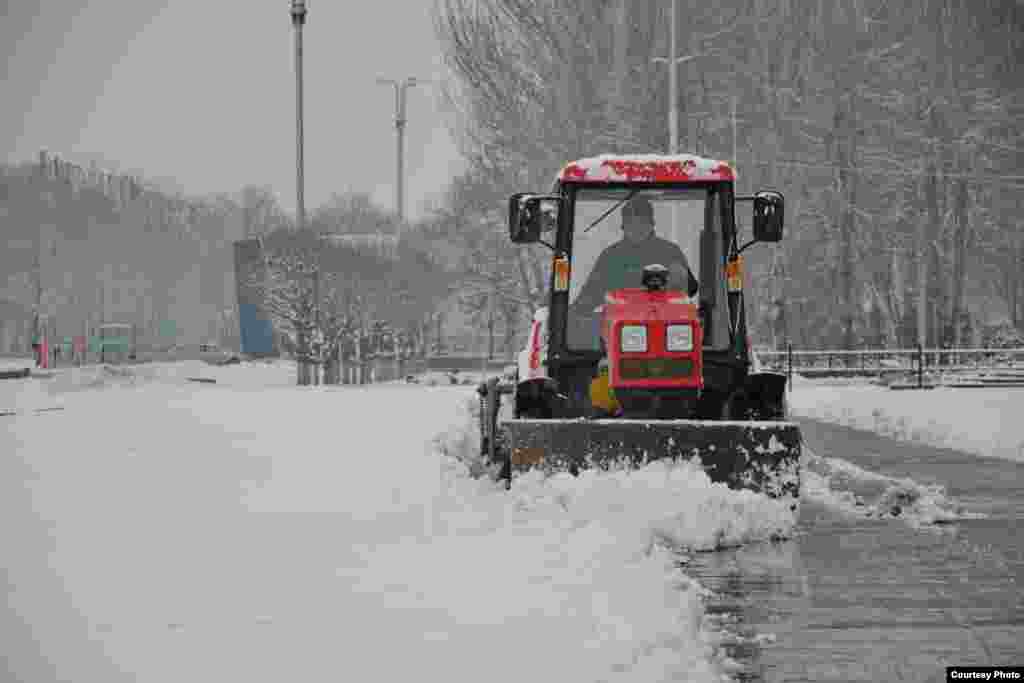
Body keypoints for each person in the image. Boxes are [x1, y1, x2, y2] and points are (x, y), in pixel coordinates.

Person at [572, 196, 699, 315]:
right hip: (619, 328)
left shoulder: (670, 253)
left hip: (665, 325)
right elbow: (590, 295)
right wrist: (570, 315)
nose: (636, 227)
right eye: (631, 222)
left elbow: (690, 289)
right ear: (623, 226)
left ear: (651, 224)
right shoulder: (611, 257)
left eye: (641, 222)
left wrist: (680, 279)